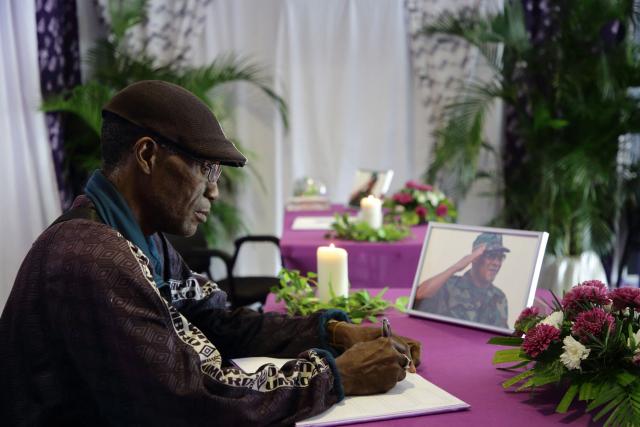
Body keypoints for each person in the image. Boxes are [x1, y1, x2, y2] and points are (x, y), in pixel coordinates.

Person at [0, 80, 421, 426]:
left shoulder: (138, 236)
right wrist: (338, 374)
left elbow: (216, 320)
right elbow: (191, 402)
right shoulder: (91, 256)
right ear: (147, 155)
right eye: (206, 168)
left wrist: (329, 333)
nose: (215, 190)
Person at [414, 232, 509, 328]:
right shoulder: (448, 285)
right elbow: (420, 293)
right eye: (491, 256)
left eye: (500, 257)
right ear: (475, 257)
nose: (497, 263)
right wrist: (457, 266)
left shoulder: (499, 297)